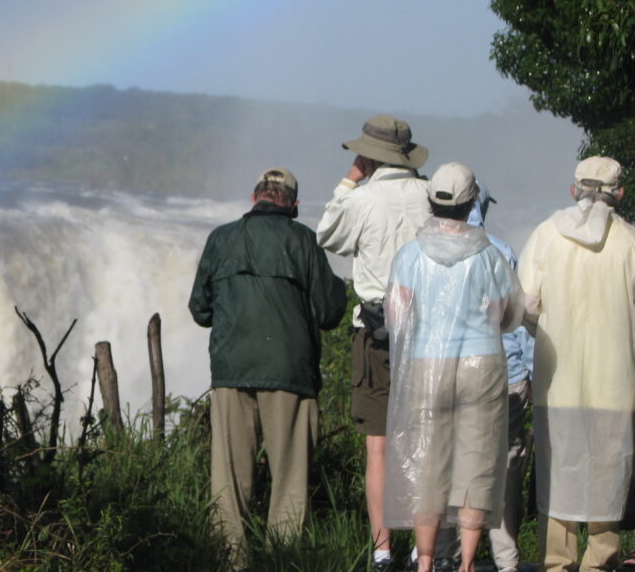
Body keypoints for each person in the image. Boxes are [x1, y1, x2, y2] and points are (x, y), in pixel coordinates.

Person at [189, 167, 347, 559]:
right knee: (290, 479)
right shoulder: (304, 241)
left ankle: (229, 559)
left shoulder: (220, 239)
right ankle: (283, 559)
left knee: (228, 478)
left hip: (231, 372)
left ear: (254, 198)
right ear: (293, 205)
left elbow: (200, 309)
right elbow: (329, 312)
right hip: (289, 374)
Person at [383, 162, 524, 572]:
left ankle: (426, 561)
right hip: (481, 365)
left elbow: (397, 315)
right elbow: (508, 313)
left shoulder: (410, 254)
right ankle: (466, 565)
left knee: (429, 464)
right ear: (472, 202)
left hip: (428, 365)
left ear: (432, 201)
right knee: (477, 464)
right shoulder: (489, 254)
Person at [317, 114, 431, 570]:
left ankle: (383, 550)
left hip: (375, 332)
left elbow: (327, 234)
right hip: (426, 334)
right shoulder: (430, 195)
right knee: (423, 444)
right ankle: (427, 553)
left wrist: (348, 182)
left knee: (379, 447)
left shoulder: (362, 200)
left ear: (369, 156)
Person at [518, 156, 635, 572]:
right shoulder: (629, 240)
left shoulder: (546, 235)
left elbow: (525, 304)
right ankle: (600, 559)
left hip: (558, 377)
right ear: (618, 194)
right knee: (609, 467)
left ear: (574, 190)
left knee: (559, 469)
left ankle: (557, 561)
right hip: (616, 380)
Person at [468, 182, 533, 572]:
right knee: (506, 464)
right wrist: (529, 370)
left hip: (453, 375)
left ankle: (453, 553)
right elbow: (519, 320)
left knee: (459, 462)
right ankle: (506, 557)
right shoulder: (502, 250)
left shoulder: (426, 250)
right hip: (505, 373)